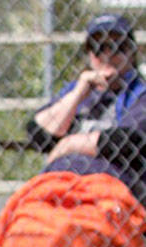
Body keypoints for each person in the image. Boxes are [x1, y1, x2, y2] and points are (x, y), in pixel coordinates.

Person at [28, 14, 146, 156]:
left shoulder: (139, 92)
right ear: (89, 54)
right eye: (98, 47)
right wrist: (77, 94)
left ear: (131, 53)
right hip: (63, 169)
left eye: (117, 46)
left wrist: (70, 143)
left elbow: (131, 140)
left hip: (107, 170)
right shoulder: (76, 89)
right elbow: (39, 136)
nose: (107, 55)